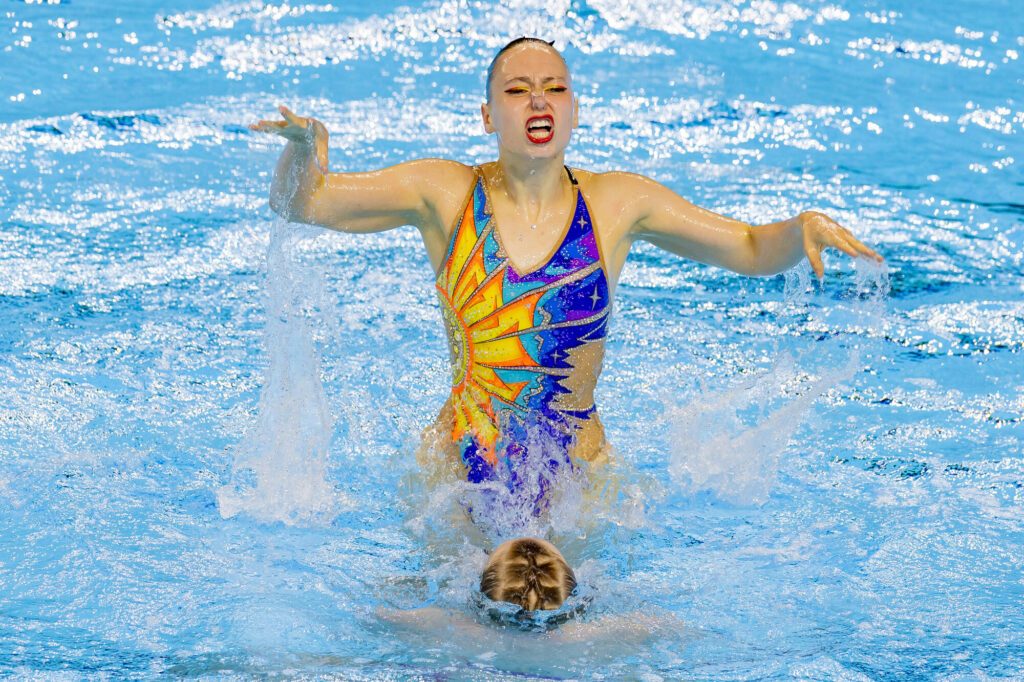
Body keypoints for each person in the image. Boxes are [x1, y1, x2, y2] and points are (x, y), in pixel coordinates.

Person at [250, 36, 883, 615]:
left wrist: (800, 230)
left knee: (576, 622)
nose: (538, 100)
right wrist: (303, 151)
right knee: (443, 623)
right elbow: (302, 202)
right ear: (488, 116)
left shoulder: (617, 203)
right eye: (517, 89)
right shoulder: (444, 192)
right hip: (461, 469)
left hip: (578, 477)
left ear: (574, 111)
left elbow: (747, 245)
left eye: (555, 87)